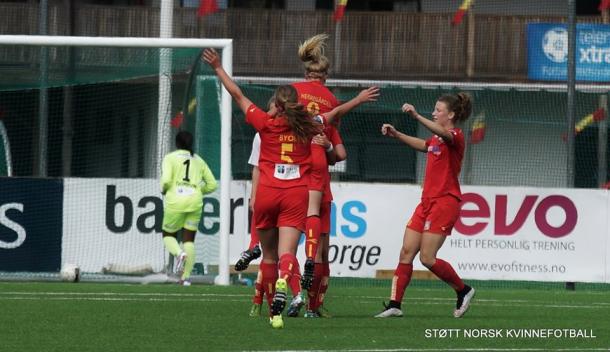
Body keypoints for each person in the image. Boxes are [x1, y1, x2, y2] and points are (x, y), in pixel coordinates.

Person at [203, 47, 377, 329]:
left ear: (277, 105)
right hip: (297, 193)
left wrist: (218, 68)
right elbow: (334, 113)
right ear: (296, 104)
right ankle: (289, 279)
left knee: (268, 255)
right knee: (287, 253)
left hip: (268, 192)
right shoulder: (309, 123)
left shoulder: (265, 122)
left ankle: (273, 311)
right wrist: (358, 99)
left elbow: (237, 94)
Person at [375, 93, 476, 319]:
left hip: (445, 202)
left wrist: (416, 115)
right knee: (406, 251)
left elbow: (442, 133)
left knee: (427, 258)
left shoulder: (455, 136)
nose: (434, 112)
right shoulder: (437, 139)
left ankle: (464, 290)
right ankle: (394, 305)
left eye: (438, 110)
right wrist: (397, 134)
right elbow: (424, 144)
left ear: (450, 115)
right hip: (426, 202)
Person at [290, 34, 350, 319]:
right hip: (319, 180)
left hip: (289, 177)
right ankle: (314, 306)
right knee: (322, 250)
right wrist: (326, 147)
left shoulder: (291, 94)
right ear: (325, 76)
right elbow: (340, 154)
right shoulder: (331, 104)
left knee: (285, 246)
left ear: (305, 72)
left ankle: (287, 295)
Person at [160, 131, 217, 286]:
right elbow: (213, 184)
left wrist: (164, 189)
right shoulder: (199, 160)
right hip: (195, 202)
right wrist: (198, 191)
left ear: (177, 143)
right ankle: (185, 278)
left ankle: (179, 254)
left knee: (168, 235)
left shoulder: (170, 158)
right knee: (189, 240)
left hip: (175, 201)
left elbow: (165, 180)